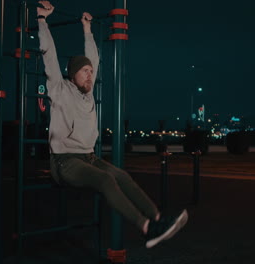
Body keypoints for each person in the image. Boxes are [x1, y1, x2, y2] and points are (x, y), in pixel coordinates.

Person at [36, 1, 188, 249]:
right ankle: (147, 229)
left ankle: (159, 219)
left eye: (90, 71)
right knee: (107, 181)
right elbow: (49, 56)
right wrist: (42, 21)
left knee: (122, 176)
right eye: (83, 71)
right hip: (64, 162)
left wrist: (87, 30)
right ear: (72, 75)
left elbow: (93, 57)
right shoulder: (59, 89)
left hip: (88, 158)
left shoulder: (88, 93)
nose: (88, 74)